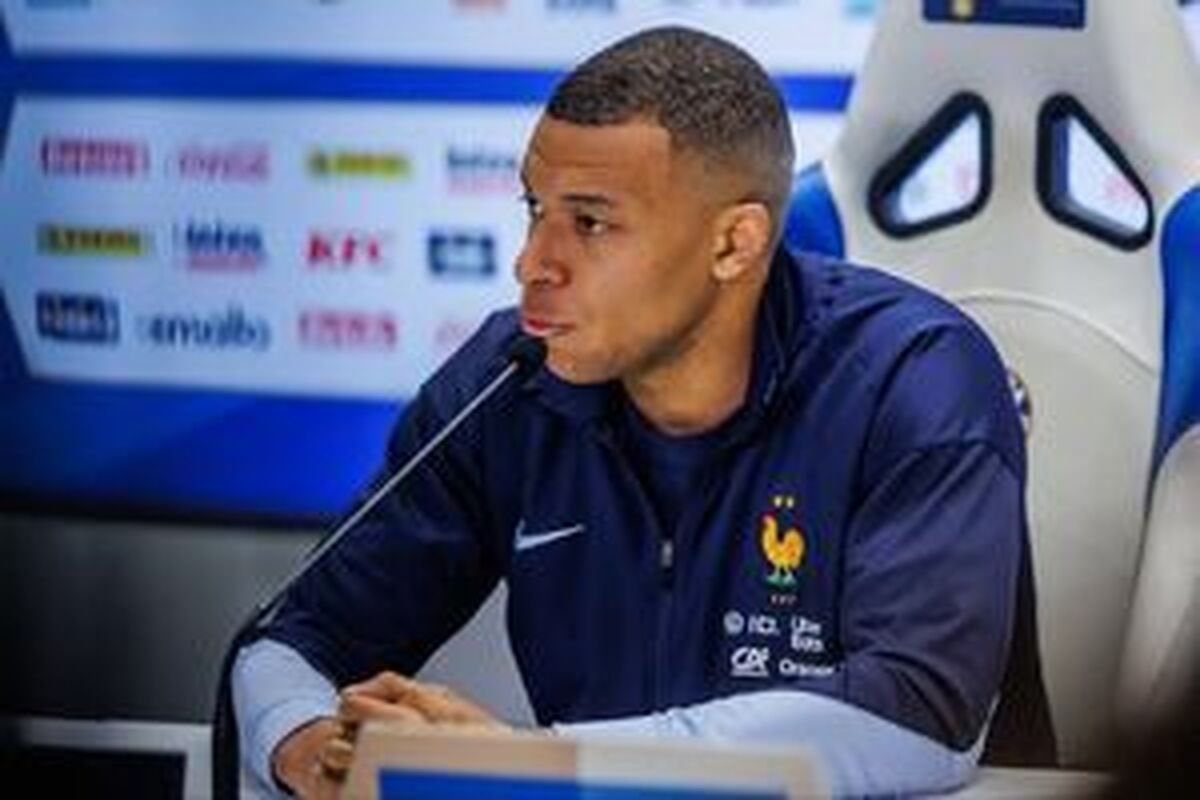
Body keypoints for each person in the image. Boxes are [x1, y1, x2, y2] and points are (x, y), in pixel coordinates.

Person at [232, 25, 1054, 799]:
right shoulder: (508, 379)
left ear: (734, 244)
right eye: (535, 211)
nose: (531, 264)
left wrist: (539, 768)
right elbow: (291, 639)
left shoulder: (913, 376)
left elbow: (920, 714)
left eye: (590, 223)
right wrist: (306, 744)